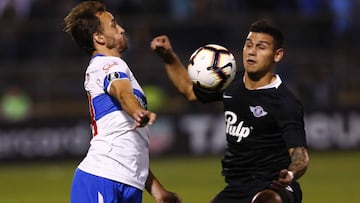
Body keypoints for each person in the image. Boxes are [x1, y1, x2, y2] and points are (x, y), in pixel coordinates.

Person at [151, 19, 309, 203]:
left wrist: (290, 173)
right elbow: (189, 90)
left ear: (277, 55)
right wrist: (168, 57)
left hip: (276, 185)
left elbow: (300, 154)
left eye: (261, 47)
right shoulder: (230, 84)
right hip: (238, 188)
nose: (252, 51)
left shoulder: (284, 101)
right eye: (248, 45)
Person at [64, 1, 181, 203]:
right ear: (99, 37)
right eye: (114, 25)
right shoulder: (107, 64)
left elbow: (129, 148)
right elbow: (121, 91)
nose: (121, 29)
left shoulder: (114, 66)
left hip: (128, 183)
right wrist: (137, 110)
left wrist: (157, 191)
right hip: (101, 178)